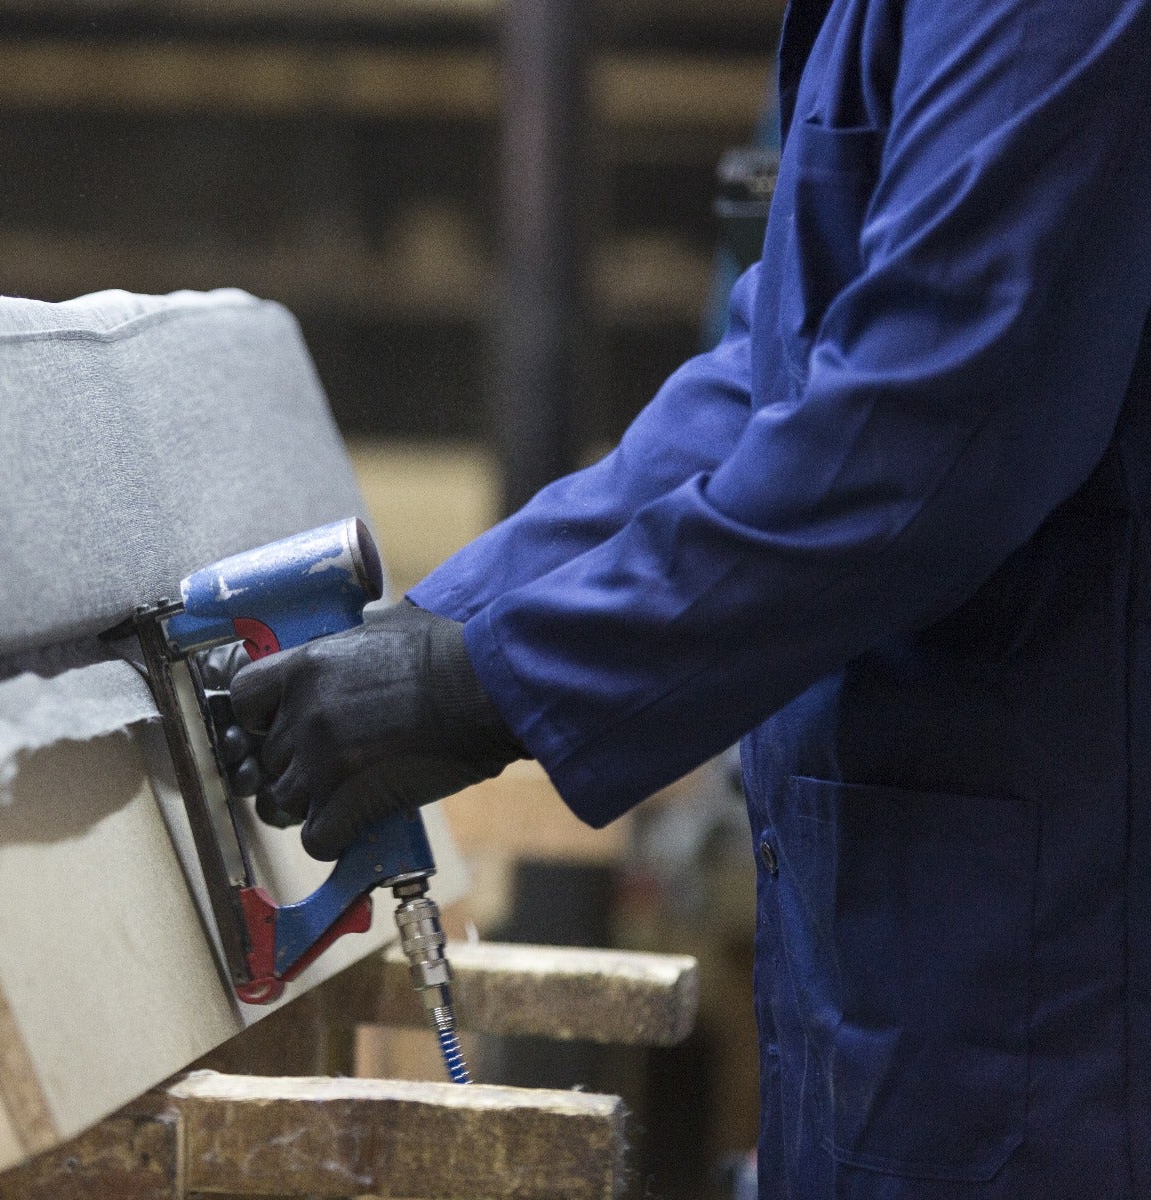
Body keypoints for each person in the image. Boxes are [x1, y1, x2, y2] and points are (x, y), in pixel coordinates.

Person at [227, 1, 1151, 1196]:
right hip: (930, 941)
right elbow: (784, 360)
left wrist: (493, 679)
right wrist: (449, 628)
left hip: (1061, 956)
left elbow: (926, 428)